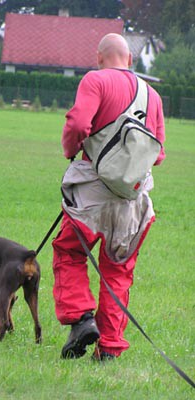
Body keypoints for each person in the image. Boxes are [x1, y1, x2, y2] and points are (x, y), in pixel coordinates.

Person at [52, 33, 165, 361]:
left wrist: (70, 151)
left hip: (91, 193)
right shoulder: (153, 95)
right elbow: (157, 153)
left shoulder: (95, 80)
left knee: (69, 251)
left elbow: (77, 124)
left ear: (99, 57)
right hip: (133, 199)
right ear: (130, 59)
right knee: (118, 269)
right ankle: (110, 350)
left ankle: (81, 318)